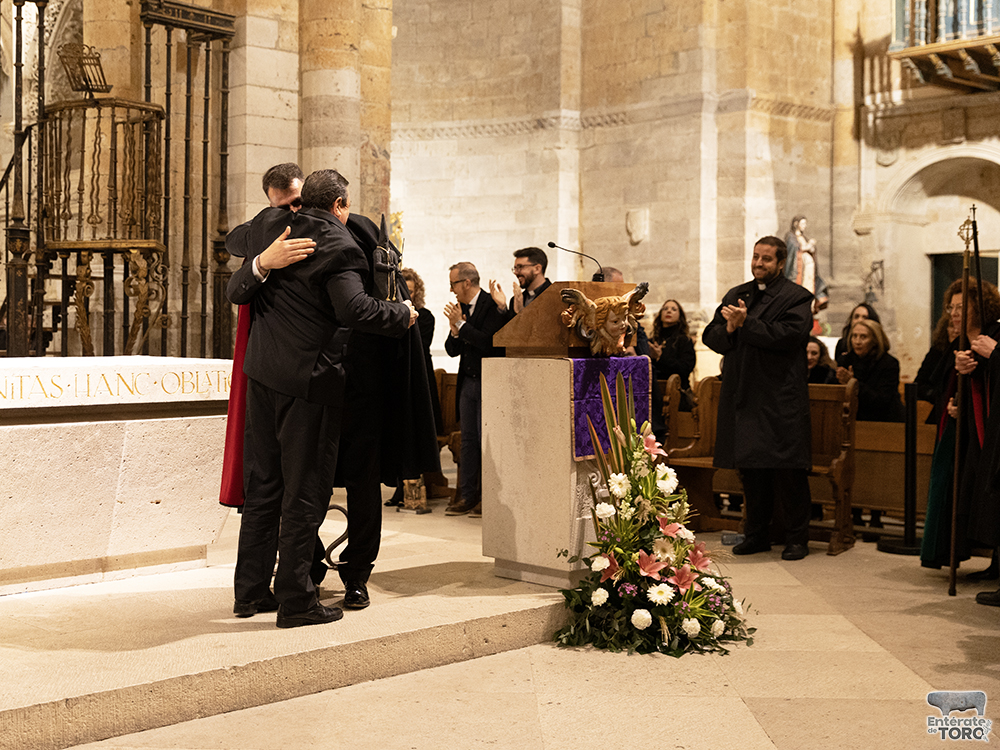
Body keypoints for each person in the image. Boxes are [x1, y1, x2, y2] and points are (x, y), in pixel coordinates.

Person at [226, 169, 416, 628]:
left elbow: (236, 274)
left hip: (263, 378)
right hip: (308, 384)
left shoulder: (269, 226)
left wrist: (261, 259)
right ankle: (296, 601)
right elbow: (354, 309)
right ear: (339, 204)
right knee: (305, 493)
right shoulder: (341, 245)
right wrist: (403, 313)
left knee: (264, 489)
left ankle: (250, 592)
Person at [703, 236, 814, 560]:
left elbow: (789, 336)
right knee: (751, 470)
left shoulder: (796, 297)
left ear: (781, 263)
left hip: (779, 399)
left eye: (766, 259)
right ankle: (757, 534)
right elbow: (711, 335)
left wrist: (746, 323)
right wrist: (732, 330)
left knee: (788, 472)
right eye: (755, 257)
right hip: (745, 396)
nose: (758, 264)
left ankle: (797, 539)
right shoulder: (738, 294)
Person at [920, 279, 1000, 579]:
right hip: (965, 435)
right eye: (950, 307)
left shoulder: (994, 336)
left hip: (988, 434)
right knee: (971, 498)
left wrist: (990, 360)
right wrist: (953, 404)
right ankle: (993, 564)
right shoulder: (958, 343)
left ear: (981, 306)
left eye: (961, 307)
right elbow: (941, 386)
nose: (954, 313)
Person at [443, 261, 506, 517]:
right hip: (467, 382)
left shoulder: (492, 305)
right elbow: (451, 350)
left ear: (466, 283)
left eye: (453, 284)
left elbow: (490, 344)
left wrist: (461, 326)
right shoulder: (461, 309)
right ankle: (468, 495)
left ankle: (489, 497)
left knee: (485, 441)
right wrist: (455, 331)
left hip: (489, 381)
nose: (451, 290)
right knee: (468, 441)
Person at [383, 267, 446, 507]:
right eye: (403, 291)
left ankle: (416, 490)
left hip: (420, 377)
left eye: (410, 291)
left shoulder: (425, 315)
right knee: (399, 431)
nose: (406, 294)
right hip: (398, 377)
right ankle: (400, 488)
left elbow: (420, 342)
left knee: (415, 431)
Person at [835, 319, 904, 422]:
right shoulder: (845, 361)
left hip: (883, 420)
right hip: (851, 418)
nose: (857, 342)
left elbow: (882, 400)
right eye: (854, 336)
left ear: (875, 340)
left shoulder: (888, 363)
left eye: (863, 337)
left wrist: (853, 384)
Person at [784, 215, 829, 322]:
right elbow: (794, 249)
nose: (805, 226)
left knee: (809, 290)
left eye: (805, 223)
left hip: (808, 271)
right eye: (803, 223)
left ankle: (810, 311)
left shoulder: (803, 237)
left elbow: (806, 249)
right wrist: (809, 245)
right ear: (796, 224)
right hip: (798, 272)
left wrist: (811, 248)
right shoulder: (791, 236)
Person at [490, 246, 551, 319]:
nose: (515, 272)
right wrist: (502, 307)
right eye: (515, 268)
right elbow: (510, 328)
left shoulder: (554, 295)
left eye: (520, 267)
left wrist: (521, 311)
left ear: (537, 269)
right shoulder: (515, 300)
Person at [648, 299, 695, 390]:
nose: (669, 311)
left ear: (679, 316)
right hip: (654, 388)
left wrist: (660, 357)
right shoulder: (653, 341)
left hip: (677, 390)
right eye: (665, 309)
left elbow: (684, 369)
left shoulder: (685, 341)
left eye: (674, 309)